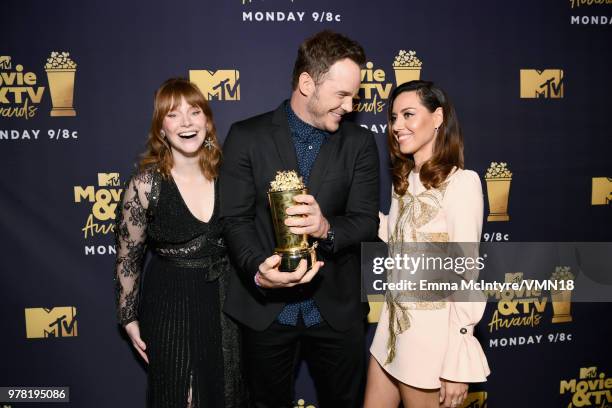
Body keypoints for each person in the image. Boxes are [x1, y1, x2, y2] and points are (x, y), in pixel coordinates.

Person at [220, 30, 379, 407]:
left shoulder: (359, 144)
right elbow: (235, 220)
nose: (350, 104)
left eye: (355, 95)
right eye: (342, 94)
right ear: (307, 83)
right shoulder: (246, 136)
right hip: (265, 313)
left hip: (337, 312)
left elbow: (365, 222)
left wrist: (326, 228)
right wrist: (259, 270)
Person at [114, 78, 247, 407]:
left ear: (208, 121)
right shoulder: (145, 185)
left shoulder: (229, 176)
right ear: (161, 128)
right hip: (170, 304)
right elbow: (129, 258)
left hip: (224, 301)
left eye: (195, 112)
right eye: (173, 115)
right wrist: (129, 318)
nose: (187, 122)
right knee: (182, 397)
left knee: (227, 394)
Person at [365, 80, 490, 408]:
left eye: (408, 114)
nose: (397, 126)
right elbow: (396, 235)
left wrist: (455, 364)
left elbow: (466, 276)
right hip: (390, 332)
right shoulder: (405, 179)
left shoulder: (462, 183)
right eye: (393, 118)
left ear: (437, 118)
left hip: (428, 343)